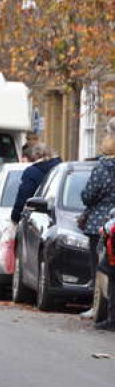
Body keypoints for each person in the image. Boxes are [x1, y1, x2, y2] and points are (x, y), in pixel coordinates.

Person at [80, 135, 115, 318]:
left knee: (99, 268)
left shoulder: (101, 169)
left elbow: (88, 196)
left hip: (99, 225)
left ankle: (98, 306)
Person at [10, 143, 60, 225]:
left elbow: (23, 196)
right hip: (59, 216)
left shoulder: (31, 172)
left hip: (36, 219)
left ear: (35, 155)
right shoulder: (61, 169)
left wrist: (15, 218)